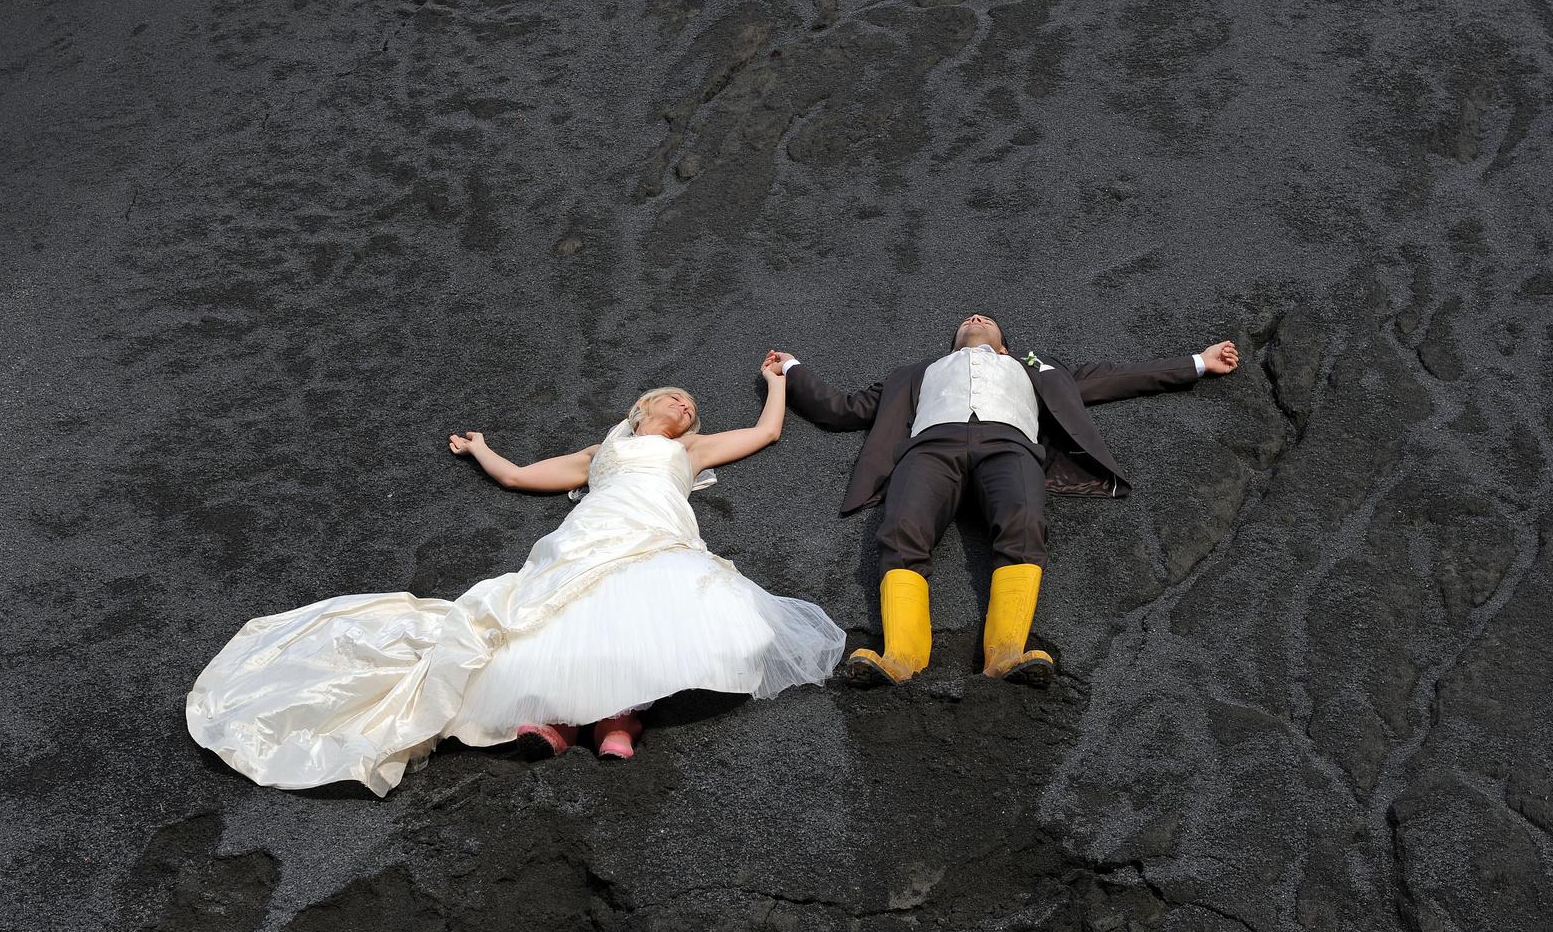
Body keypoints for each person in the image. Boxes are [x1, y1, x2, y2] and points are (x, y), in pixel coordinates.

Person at [185, 358, 843, 796]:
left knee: (651, 605)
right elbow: (521, 475)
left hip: (656, 534)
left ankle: (619, 717)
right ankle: (552, 718)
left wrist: (778, 377)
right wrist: (480, 449)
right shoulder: (601, 451)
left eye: (690, 405)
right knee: (552, 610)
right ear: (642, 409)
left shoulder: (689, 450)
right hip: (590, 532)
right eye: (672, 396)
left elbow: (767, 430)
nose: (682, 403)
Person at [766, 314, 1237, 688]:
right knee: (900, 530)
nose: (975, 317)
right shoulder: (916, 374)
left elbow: (1115, 378)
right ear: (953, 341)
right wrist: (792, 369)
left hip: (1009, 446)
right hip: (929, 449)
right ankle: (901, 657)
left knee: (1026, 524)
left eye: (986, 319)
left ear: (1005, 345)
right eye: (968, 319)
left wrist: (1198, 361)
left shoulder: (1034, 368)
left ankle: (1007, 651)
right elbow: (842, 409)